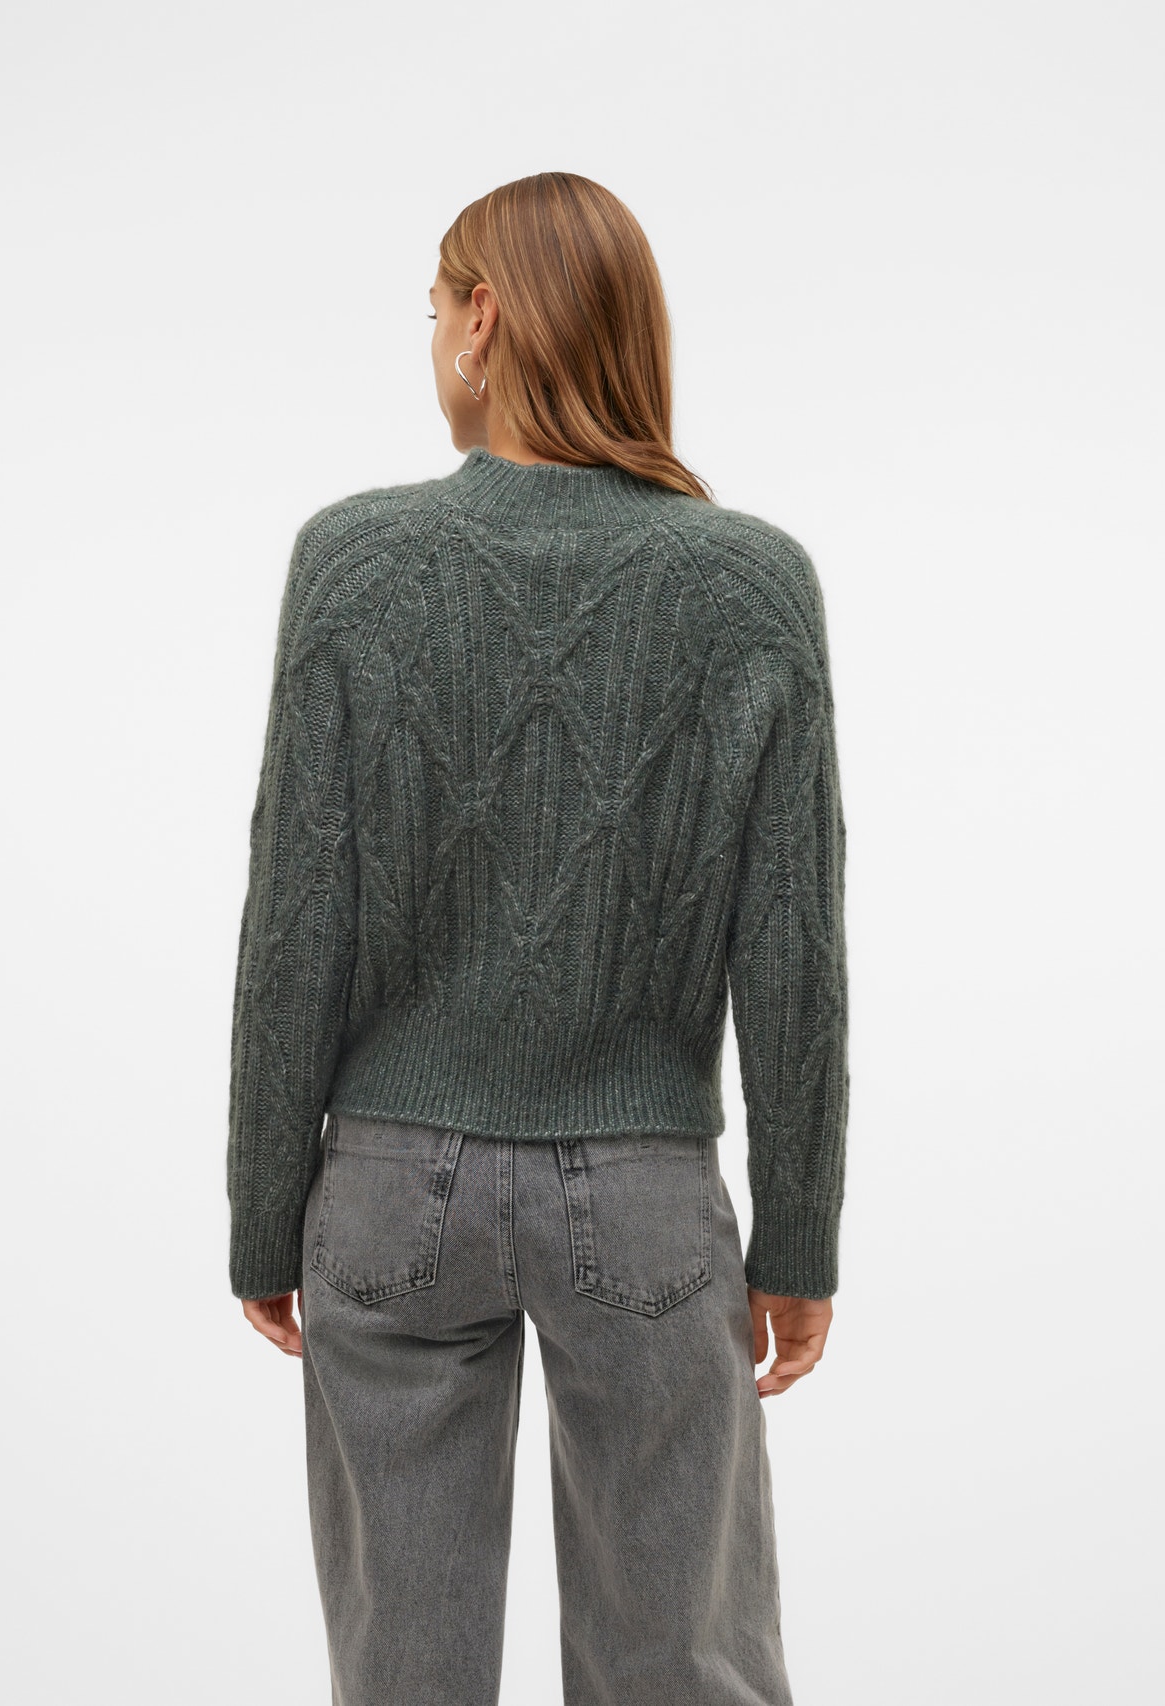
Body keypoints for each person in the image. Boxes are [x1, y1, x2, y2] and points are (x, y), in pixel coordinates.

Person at [226, 170, 850, 1706]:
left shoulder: (352, 562)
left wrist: (262, 1207)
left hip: (387, 1192)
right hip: (642, 1196)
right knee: (683, 1669)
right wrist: (799, 1237)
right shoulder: (751, 585)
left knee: (400, 1677)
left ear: (484, 320)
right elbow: (793, 949)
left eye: (434, 305)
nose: (431, 336)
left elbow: (295, 917)